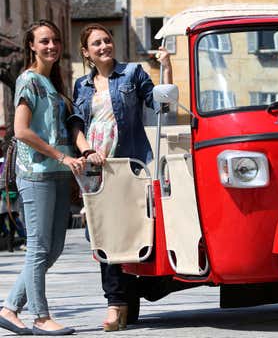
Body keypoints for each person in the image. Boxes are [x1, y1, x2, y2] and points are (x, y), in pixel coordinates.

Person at [69, 23, 172, 332]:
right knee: (102, 235)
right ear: (86, 52)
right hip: (97, 167)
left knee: (133, 231)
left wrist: (166, 67)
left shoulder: (132, 73)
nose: (104, 46)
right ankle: (117, 302)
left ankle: (129, 298)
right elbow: (75, 124)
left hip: (129, 164)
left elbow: (160, 104)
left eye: (107, 40)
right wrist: (87, 153)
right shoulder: (81, 85)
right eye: (96, 43)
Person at [0, 20, 85, 336]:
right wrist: (62, 157)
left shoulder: (53, 84)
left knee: (53, 248)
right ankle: (40, 317)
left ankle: (10, 308)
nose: (52, 46)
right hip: (36, 175)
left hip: (60, 175)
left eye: (56, 41)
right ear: (32, 46)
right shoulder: (28, 81)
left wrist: (70, 164)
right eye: (44, 41)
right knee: (38, 248)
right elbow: (21, 130)